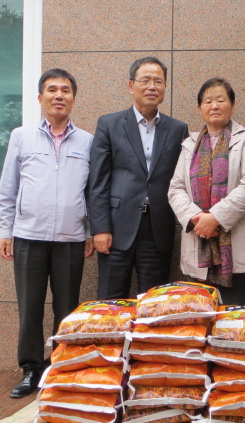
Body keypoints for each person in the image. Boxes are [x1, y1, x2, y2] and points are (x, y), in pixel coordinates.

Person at [0, 68, 94, 399]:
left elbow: (92, 192)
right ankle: (31, 369)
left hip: (70, 239)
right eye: (52, 90)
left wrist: (91, 231)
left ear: (73, 99)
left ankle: (59, 367)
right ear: (40, 98)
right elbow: (8, 188)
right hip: (28, 237)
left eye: (66, 90)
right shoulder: (21, 136)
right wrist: (4, 230)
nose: (59, 96)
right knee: (30, 307)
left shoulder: (87, 141)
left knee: (66, 309)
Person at [88, 57, 189, 299]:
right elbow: (98, 181)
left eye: (158, 81)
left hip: (158, 230)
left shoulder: (178, 129)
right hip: (116, 228)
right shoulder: (109, 124)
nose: (152, 86)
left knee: (153, 305)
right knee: (111, 304)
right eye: (145, 80)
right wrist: (100, 228)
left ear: (165, 87)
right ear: (131, 85)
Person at [168, 77, 245, 303]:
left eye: (221, 100)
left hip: (236, 243)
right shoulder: (189, 145)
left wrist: (216, 218)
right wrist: (196, 218)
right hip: (198, 241)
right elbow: (176, 188)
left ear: (232, 105)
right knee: (198, 316)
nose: (214, 106)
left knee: (231, 318)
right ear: (200, 108)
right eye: (208, 101)